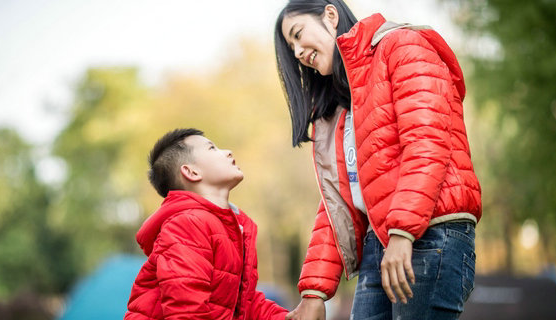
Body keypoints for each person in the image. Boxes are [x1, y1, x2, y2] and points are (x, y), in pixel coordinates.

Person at [273, 1, 482, 319]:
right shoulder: (338, 108)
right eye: (292, 49)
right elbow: (338, 200)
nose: (299, 52)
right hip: (381, 241)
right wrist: (314, 291)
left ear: (330, 15)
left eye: (298, 35)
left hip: (430, 232)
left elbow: (427, 143)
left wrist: (402, 233)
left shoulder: (401, 45)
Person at [124, 128, 288, 320]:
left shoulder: (231, 229)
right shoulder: (187, 225)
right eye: (212, 148)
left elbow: (246, 303)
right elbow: (186, 311)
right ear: (191, 171)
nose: (228, 152)